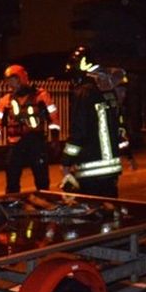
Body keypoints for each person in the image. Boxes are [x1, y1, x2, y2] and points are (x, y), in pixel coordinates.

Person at [0, 64, 61, 193]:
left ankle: (45, 204)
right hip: (15, 143)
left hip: (36, 143)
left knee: (42, 180)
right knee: (12, 180)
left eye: (13, 80)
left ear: (22, 78)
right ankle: (13, 205)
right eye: (9, 81)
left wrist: (55, 140)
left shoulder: (41, 96)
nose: (11, 85)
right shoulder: (6, 100)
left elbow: (53, 118)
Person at [60, 46, 123, 198]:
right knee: (111, 210)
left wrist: (66, 161)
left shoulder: (83, 94)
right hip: (112, 168)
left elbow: (79, 132)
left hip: (91, 169)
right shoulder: (108, 93)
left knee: (94, 214)